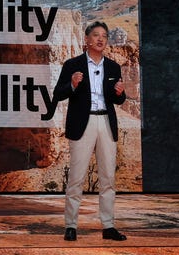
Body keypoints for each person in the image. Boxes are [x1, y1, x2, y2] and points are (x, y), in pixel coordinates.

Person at [53, 20, 127, 242]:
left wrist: (120, 93)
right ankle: (71, 225)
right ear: (87, 39)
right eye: (96, 35)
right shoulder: (72, 64)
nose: (100, 39)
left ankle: (108, 226)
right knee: (76, 177)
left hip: (105, 122)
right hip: (82, 124)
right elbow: (58, 93)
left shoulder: (113, 67)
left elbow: (118, 99)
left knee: (108, 178)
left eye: (104, 35)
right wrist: (73, 84)